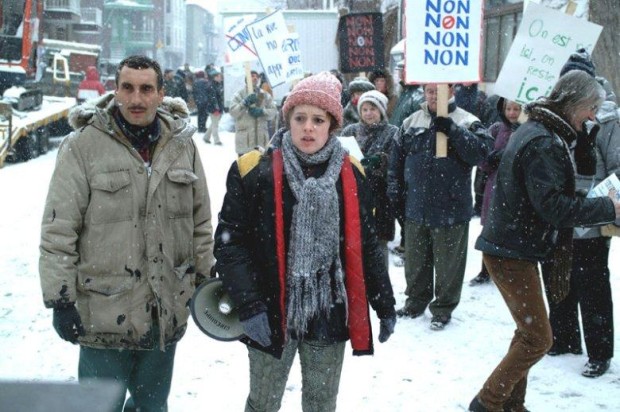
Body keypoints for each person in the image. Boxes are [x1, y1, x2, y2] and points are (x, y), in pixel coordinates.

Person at [39, 55, 214, 412]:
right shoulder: (83, 146)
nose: (137, 99)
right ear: (114, 90)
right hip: (103, 314)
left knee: (152, 407)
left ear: (161, 94)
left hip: (162, 316)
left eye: (146, 89)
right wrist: (60, 299)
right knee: (98, 407)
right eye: (128, 88)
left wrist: (202, 281)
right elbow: (59, 229)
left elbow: (200, 223)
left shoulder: (182, 145)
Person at [214, 72, 396, 412]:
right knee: (263, 402)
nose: (308, 128)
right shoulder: (253, 170)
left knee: (321, 403)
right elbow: (229, 243)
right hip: (269, 308)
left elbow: (367, 244)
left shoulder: (352, 174)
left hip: (329, 308)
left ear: (332, 124)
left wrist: (384, 303)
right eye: (300, 118)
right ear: (288, 120)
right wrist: (250, 304)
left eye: (318, 119)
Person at [468, 70, 620, 412]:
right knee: (538, 338)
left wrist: (585, 144)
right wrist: (607, 207)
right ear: (574, 103)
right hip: (510, 251)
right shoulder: (543, 140)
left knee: (528, 332)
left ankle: (511, 404)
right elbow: (553, 206)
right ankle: (487, 403)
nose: (594, 115)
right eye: (591, 107)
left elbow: (554, 193)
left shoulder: (544, 130)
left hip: (514, 247)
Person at [387, 83, 492, 330]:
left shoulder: (467, 120)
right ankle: (415, 302)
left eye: (439, 91)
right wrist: (395, 188)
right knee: (416, 261)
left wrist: (453, 131)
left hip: (451, 208)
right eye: (429, 91)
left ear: (452, 91)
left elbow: (481, 153)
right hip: (416, 206)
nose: (433, 96)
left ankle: (443, 309)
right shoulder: (412, 121)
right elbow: (397, 159)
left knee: (448, 266)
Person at [541, 50, 620, 378]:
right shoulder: (552, 115)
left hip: (591, 214)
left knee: (593, 286)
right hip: (557, 215)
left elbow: (617, 166)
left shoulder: (609, 118)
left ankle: (599, 352)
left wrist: (605, 202)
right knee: (557, 279)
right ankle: (563, 338)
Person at [340, 90, 399, 269]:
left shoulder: (392, 132)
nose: (368, 113)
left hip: (380, 197)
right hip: (353, 194)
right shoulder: (350, 131)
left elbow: (396, 162)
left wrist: (381, 161)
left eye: (372, 109)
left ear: (381, 110)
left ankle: (381, 289)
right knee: (354, 242)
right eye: (364, 109)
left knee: (379, 245)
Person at [469, 98, 522, 286]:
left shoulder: (528, 131)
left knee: (514, 232)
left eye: (517, 109)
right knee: (490, 231)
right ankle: (486, 270)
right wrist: (493, 159)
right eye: (509, 108)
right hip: (494, 188)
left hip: (517, 190)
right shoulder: (496, 129)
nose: (512, 113)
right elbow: (482, 159)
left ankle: (511, 271)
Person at [229, 70, 277, 156]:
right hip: (245, 143)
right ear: (246, 79)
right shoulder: (239, 94)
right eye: (252, 76)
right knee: (244, 169)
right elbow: (233, 112)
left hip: (261, 143)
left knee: (261, 168)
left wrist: (262, 112)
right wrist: (244, 103)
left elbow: (273, 111)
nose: (255, 78)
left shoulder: (264, 95)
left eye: (257, 76)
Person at [204, 68, 225, 145]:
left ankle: (206, 137)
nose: (221, 78)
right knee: (215, 125)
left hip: (217, 108)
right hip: (214, 109)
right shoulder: (212, 86)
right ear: (215, 77)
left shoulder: (217, 85)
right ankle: (217, 140)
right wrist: (216, 109)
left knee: (213, 123)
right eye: (220, 76)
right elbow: (213, 99)